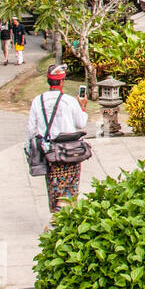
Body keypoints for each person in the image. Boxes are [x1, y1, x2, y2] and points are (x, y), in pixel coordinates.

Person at [27, 64, 89, 214]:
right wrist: (82, 107)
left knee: (54, 185)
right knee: (70, 186)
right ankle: (64, 212)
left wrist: (30, 149)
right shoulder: (69, 101)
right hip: (70, 151)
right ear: (62, 82)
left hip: (50, 152)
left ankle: (58, 211)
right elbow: (81, 123)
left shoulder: (38, 101)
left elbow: (31, 129)